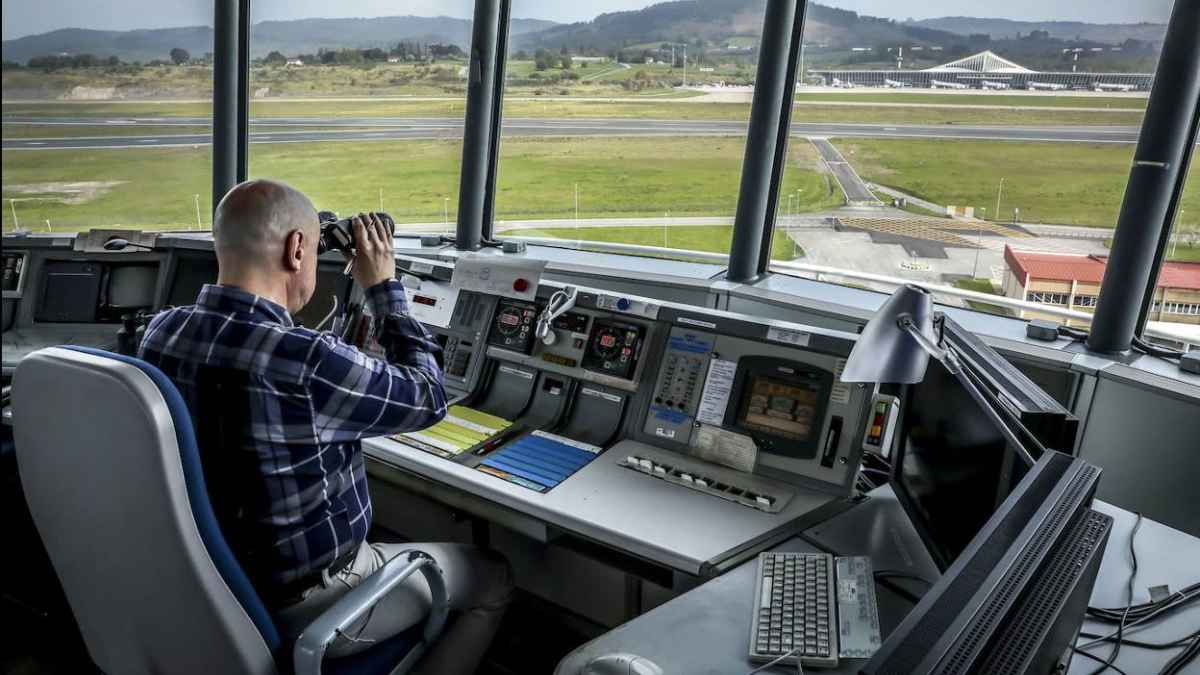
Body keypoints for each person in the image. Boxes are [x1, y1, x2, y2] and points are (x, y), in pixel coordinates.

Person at [139, 179, 512, 673]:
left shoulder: (161, 332)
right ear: (297, 249)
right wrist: (383, 289)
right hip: (309, 602)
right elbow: (428, 395)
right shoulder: (308, 363)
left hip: (207, 578)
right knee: (492, 577)